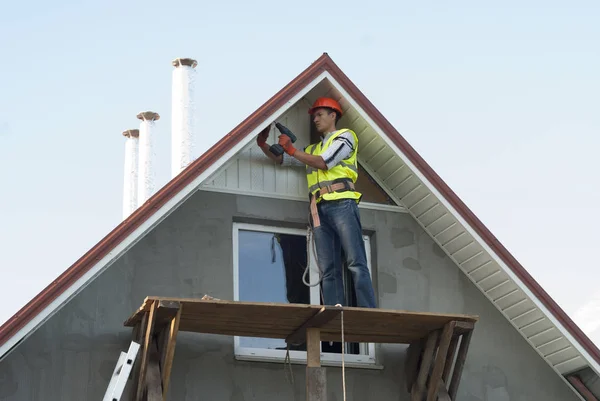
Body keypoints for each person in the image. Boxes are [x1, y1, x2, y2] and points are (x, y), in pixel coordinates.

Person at [256, 97, 377, 309]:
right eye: (314, 116)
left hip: (342, 202)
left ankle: (368, 309)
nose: (316, 119)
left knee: (355, 261)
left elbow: (324, 162)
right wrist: (263, 144)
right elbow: (283, 159)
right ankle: (334, 309)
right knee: (328, 267)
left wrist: (292, 150)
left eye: (320, 114)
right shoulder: (311, 150)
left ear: (333, 115)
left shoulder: (345, 137)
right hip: (319, 209)